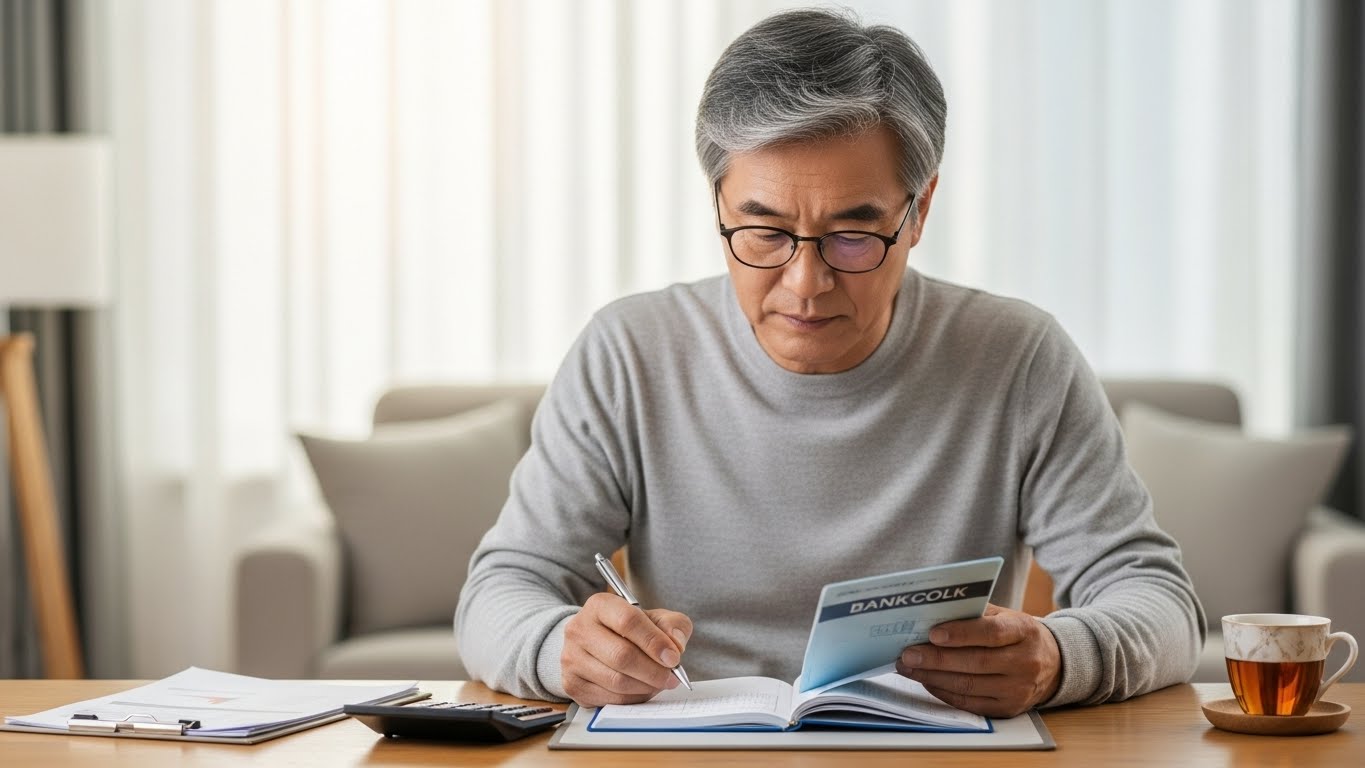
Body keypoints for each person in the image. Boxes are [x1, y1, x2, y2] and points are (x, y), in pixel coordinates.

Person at [455, 8, 1204, 718]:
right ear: (718, 201)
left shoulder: (1017, 358)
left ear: (919, 212)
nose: (805, 285)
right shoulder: (629, 353)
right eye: (764, 231)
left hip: (933, 750)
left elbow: (1157, 601)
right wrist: (563, 650)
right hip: (691, 747)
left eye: (853, 236)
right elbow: (502, 590)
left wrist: (1057, 657)